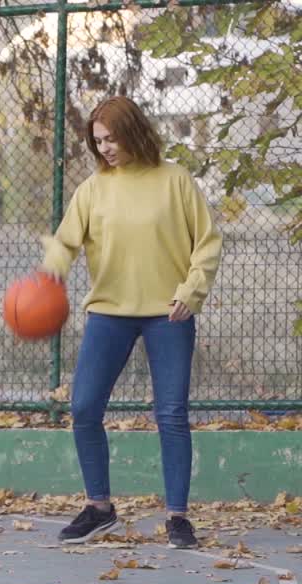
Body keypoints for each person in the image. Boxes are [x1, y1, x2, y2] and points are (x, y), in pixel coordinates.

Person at [39, 96, 223, 549]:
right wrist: (50, 272)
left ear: (134, 132)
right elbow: (65, 243)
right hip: (108, 313)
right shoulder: (93, 189)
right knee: (83, 407)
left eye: (111, 138)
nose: (104, 149)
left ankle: (178, 517)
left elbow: (208, 243)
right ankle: (99, 508)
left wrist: (190, 292)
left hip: (169, 313)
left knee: (172, 414)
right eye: (97, 141)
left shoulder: (175, 181)